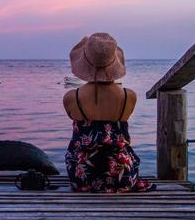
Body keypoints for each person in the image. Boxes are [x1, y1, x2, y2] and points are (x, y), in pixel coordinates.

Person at [64, 32, 155, 193]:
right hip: (121, 174)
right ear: (114, 62)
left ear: (85, 62)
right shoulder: (129, 96)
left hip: (82, 175)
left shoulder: (72, 98)